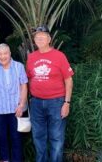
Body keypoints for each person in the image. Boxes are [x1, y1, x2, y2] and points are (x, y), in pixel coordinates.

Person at [26, 25, 74, 162]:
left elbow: (69, 80)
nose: (39, 39)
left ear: (49, 39)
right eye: (37, 37)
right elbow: (28, 78)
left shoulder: (59, 56)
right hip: (36, 103)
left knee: (56, 138)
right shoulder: (31, 57)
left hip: (56, 102)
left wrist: (67, 102)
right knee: (38, 137)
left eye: (42, 36)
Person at [0, 44, 28, 162]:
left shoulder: (18, 66)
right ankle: (5, 159)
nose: (2, 56)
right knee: (1, 138)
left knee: (16, 138)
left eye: (5, 53)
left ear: (10, 54)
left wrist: (21, 105)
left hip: (16, 110)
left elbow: (24, 87)